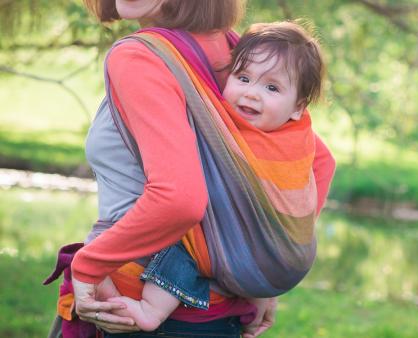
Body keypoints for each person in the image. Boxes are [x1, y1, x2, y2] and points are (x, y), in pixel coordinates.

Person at [58, 1, 335, 337]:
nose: (252, 87)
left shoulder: (141, 56)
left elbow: (180, 200)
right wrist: (260, 263)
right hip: (219, 314)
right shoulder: (232, 47)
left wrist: (88, 266)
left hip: (135, 306)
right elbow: (318, 162)